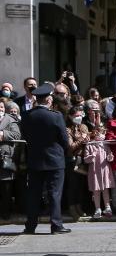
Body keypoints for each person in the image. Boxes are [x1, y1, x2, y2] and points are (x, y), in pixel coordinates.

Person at [21, 82, 71, 235]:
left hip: (35, 160)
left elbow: (25, 136)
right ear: (49, 99)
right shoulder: (56, 116)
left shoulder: (27, 116)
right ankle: (56, 225)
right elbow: (64, 140)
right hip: (55, 160)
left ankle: (30, 225)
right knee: (54, 193)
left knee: (34, 194)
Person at [84, 127, 115, 219]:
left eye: (104, 133)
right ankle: (97, 209)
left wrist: (110, 157)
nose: (103, 135)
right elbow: (86, 160)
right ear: (96, 134)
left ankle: (107, 207)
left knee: (105, 189)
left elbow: (110, 158)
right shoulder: (89, 145)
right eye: (102, 133)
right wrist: (92, 155)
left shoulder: (105, 145)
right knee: (96, 191)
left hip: (104, 170)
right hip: (94, 171)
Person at [0, 101, 21, 220]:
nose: (0, 109)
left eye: (2, 107)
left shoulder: (10, 119)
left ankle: (5, 213)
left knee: (6, 188)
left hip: (5, 157)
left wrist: (3, 134)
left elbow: (17, 135)